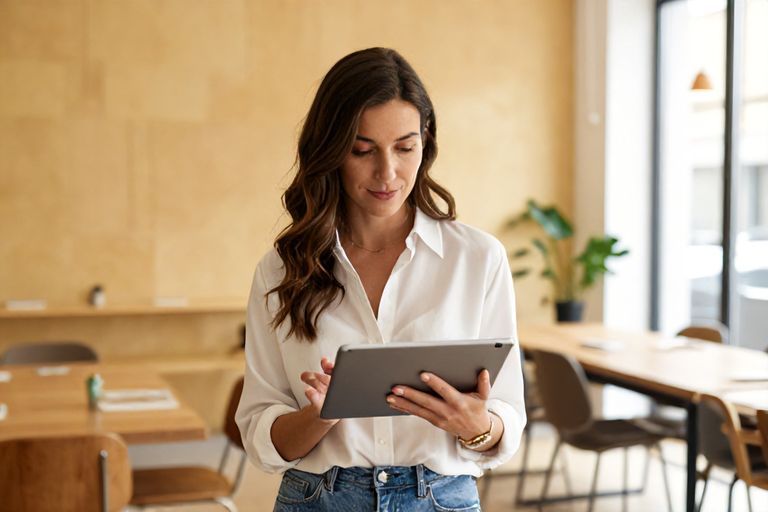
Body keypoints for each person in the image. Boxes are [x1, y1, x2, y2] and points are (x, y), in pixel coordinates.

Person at [236, 47, 526, 511]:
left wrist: (478, 426)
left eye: (405, 148)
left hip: (441, 499)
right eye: (362, 150)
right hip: (318, 499)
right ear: (330, 151)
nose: (387, 173)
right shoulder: (282, 267)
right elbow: (260, 434)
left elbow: (506, 413)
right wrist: (320, 416)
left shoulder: (478, 259)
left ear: (425, 143)